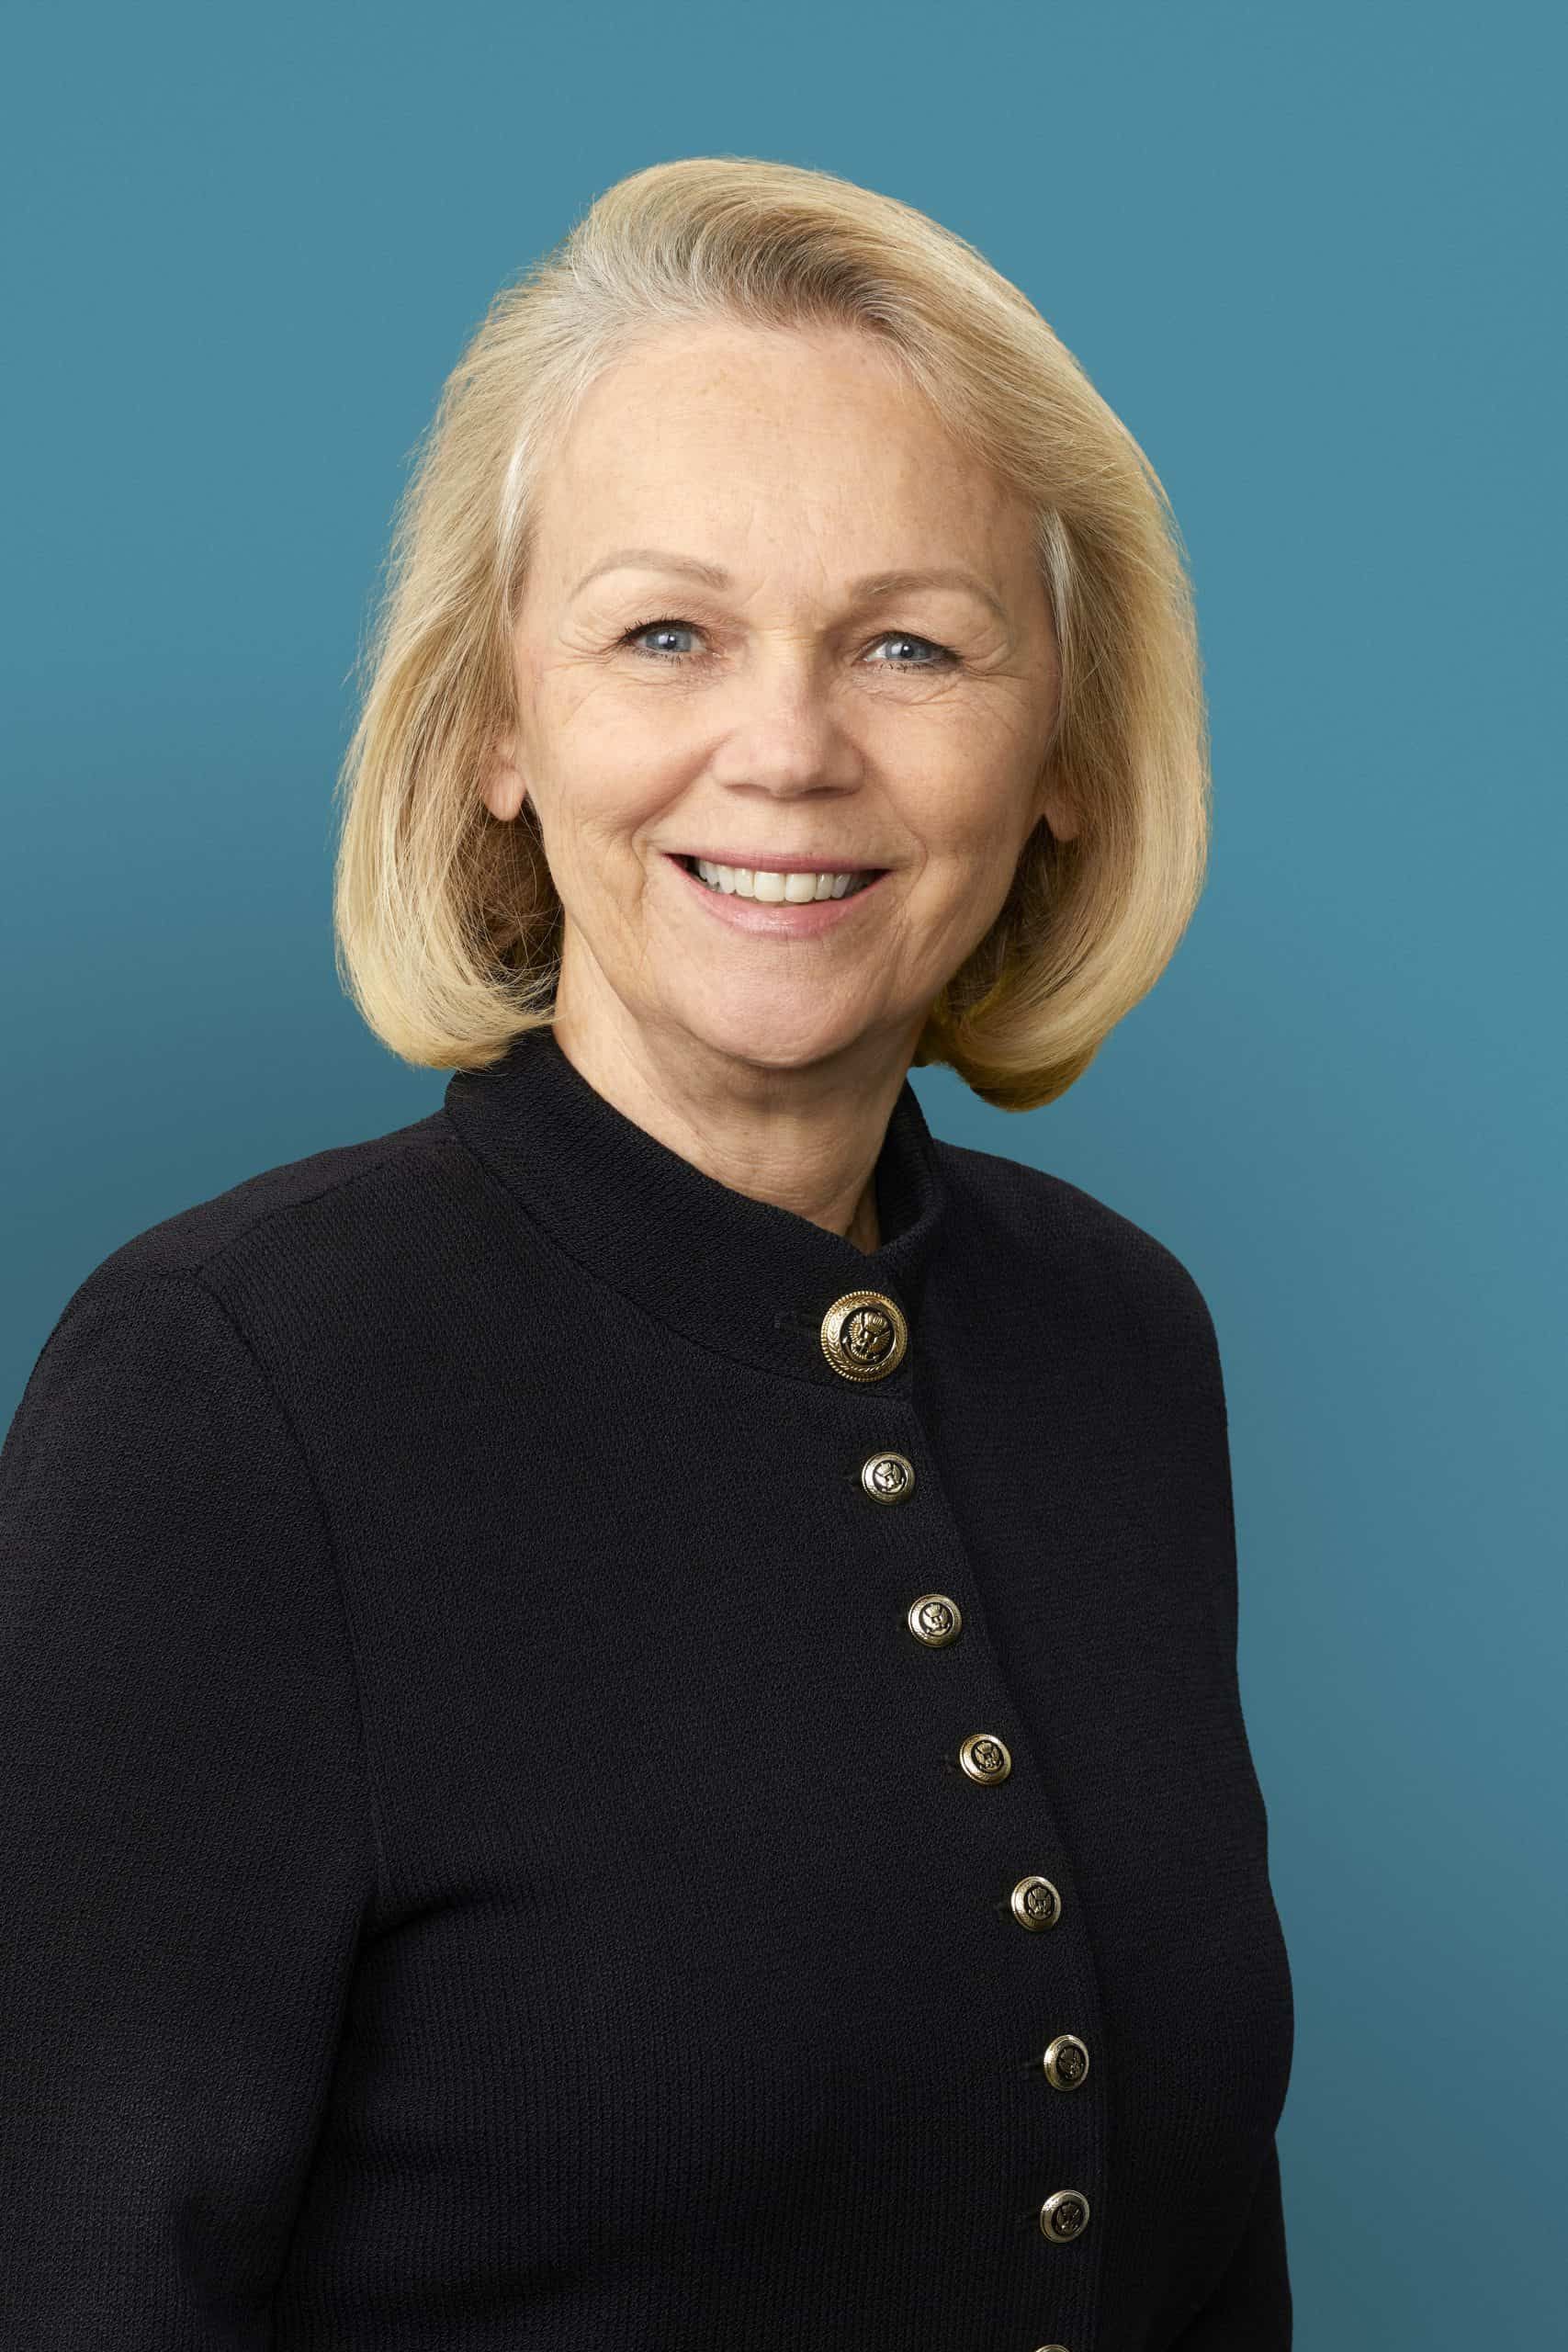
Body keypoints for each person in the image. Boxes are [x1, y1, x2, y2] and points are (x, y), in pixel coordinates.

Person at [0, 156, 1294, 2349]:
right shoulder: (225, 1392)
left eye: (907, 640)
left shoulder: (1120, 1340)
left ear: (1058, 745)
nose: (782, 748)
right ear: (498, 723)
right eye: (663, 632)